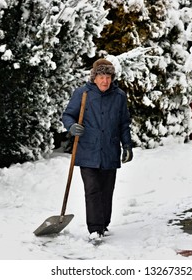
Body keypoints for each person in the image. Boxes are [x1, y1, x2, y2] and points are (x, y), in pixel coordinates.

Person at [62, 58, 133, 239]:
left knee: (106, 190)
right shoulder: (83, 93)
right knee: (92, 189)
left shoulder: (119, 96)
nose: (105, 81)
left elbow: (124, 123)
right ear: (94, 77)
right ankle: (95, 229)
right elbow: (68, 115)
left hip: (110, 151)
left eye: (108, 76)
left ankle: (104, 223)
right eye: (101, 76)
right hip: (88, 151)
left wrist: (127, 145)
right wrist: (71, 126)